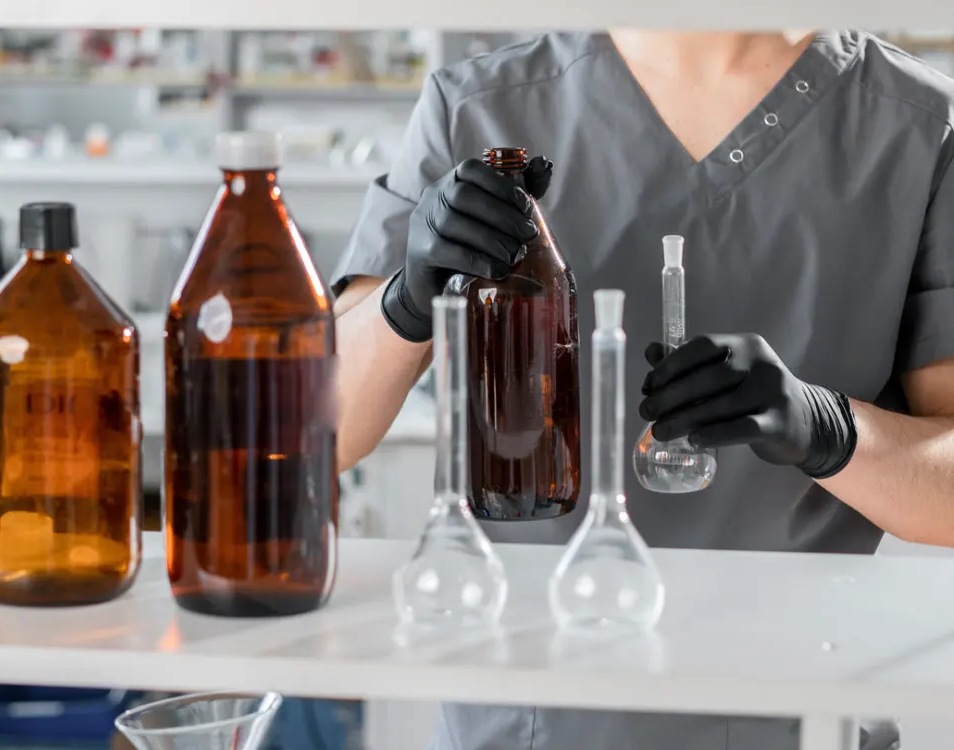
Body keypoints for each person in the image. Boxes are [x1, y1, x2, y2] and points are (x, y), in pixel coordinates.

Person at [331, 29, 953, 750]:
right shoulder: (478, 109)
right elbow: (321, 432)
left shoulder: (916, 125)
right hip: (526, 723)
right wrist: (406, 302)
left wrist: (831, 429)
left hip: (799, 716)